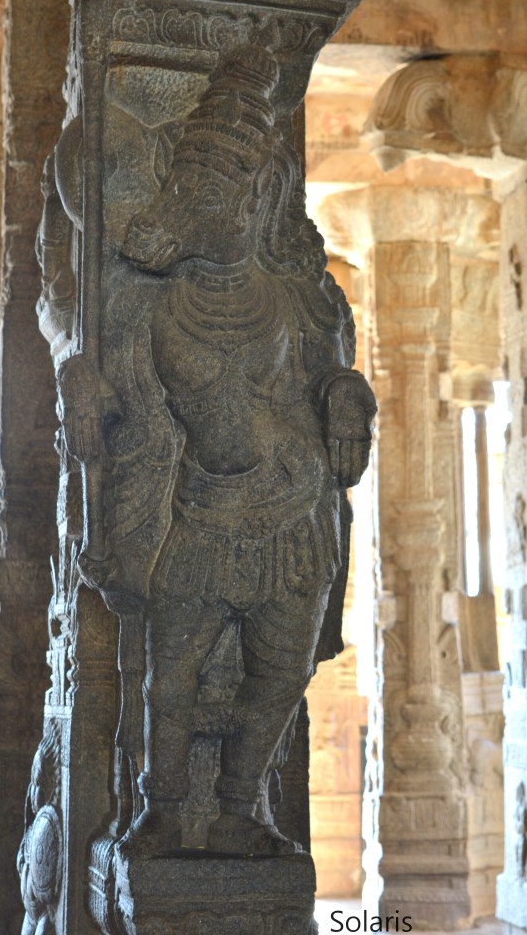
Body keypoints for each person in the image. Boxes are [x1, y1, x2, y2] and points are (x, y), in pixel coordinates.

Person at [59, 44, 377, 857]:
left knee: (278, 674)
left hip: (294, 509)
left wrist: (349, 402)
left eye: (219, 195)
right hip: (198, 509)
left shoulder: (298, 299)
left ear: (256, 199)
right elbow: (102, 384)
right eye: (188, 190)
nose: (198, 210)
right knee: (168, 675)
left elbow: (335, 373)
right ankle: (163, 808)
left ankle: (240, 807)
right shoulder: (147, 308)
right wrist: (79, 386)